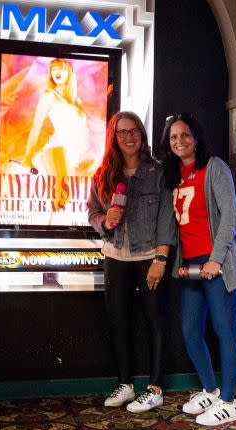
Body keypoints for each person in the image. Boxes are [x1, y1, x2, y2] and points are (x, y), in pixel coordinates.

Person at [160, 113, 236, 427]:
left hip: (217, 264)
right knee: (189, 331)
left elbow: (230, 217)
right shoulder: (174, 174)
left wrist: (217, 259)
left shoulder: (214, 167)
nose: (179, 141)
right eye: (173, 137)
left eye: (185, 135)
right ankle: (211, 390)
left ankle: (229, 401)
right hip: (190, 265)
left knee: (225, 331)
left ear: (196, 137)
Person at [88, 111, 176, 412]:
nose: (129, 137)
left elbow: (167, 219)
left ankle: (154, 388)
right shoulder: (102, 175)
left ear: (142, 134)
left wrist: (160, 259)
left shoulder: (158, 171)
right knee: (118, 322)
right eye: (122, 132)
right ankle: (125, 384)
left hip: (148, 257)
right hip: (116, 257)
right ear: (114, 137)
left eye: (134, 130)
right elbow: (92, 215)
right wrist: (106, 221)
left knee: (155, 322)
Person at [22, 58, 89, 217]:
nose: (57, 72)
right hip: (57, 148)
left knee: (64, 202)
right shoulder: (49, 96)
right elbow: (36, 126)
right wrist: (27, 157)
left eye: (61, 68)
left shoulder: (76, 101)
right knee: (62, 197)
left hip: (73, 154)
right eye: (54, 69)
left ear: (70, 73)